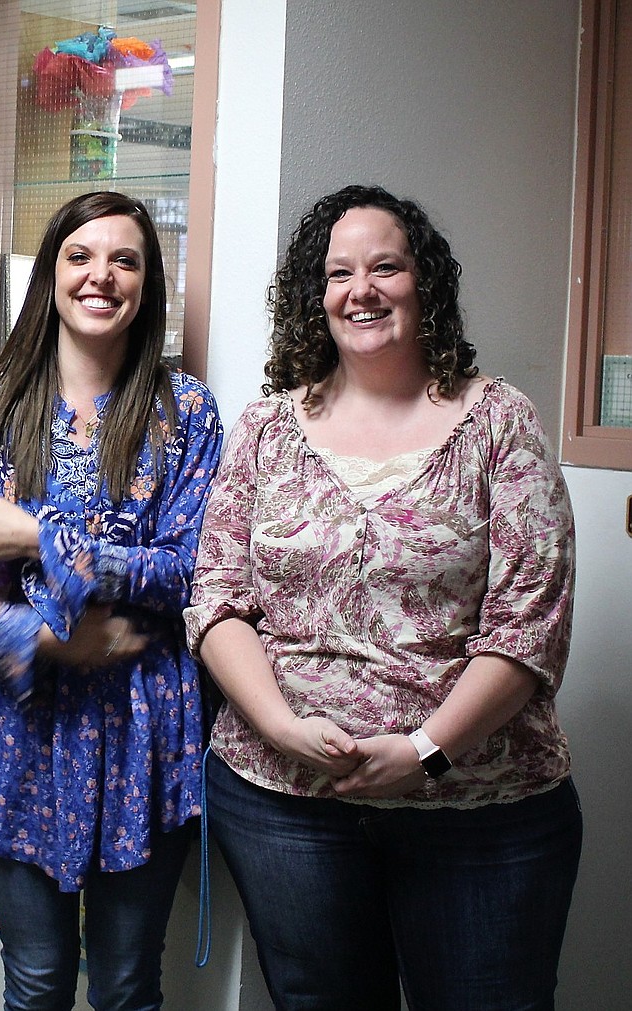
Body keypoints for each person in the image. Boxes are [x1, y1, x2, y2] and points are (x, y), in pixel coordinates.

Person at [185, 184, 581, 1010]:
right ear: (315, 296)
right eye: (338, 273)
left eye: (385, 267)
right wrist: (282, 727)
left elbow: (527, 629)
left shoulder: (501, 424)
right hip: (283, 808)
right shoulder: (265, 429)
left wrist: (427, 749)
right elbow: (216, 599)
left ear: (423, 284)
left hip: (480, 810)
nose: (360, 289)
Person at [0, 191, 222, 1011]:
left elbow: (189, 572)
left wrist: (38, 540)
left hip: (143, 730)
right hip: (18, 729)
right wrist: (44, 638)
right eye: (80, 256)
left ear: (147, 284)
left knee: (125, 987)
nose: (101, 275)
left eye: (125, 259)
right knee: (36, 983)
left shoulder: (187, 415)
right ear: (51, 275)